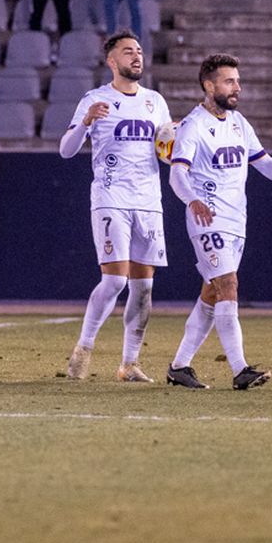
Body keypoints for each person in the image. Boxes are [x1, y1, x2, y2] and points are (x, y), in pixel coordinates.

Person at [165, 54, 272, 390]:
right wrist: (192, 199)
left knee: (211, 292)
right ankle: (240, 370)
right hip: (207, 218)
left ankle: (179, 366)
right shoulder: (192, 126)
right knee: (228, 285)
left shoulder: (239, 123)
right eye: (229, 81)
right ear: (209, 86)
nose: (237, 87)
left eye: (237, 80)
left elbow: (264, 163)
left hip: (237, 220)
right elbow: (177, 173)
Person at [58, 32, 169, 383]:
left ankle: (130, 363)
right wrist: (87, 121)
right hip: (111, 199)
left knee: (143, 288)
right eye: (128, 52)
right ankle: (84, 349)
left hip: (149, 202)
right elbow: (66, 149)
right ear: (111, 61)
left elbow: (166, 148)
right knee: (115, 279)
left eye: (138, 51)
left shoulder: (155, 102)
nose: (136, 57)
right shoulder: (95, 99)